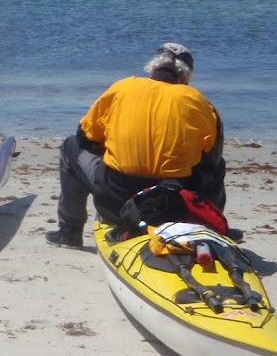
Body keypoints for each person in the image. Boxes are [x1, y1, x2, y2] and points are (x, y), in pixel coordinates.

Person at [46, 42, 225, 249]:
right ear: (185, 77)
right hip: (173, 204)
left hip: (115, 200)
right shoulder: (198, 101)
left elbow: (84, 138)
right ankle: (211, 227)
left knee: (70, 146)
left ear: (152, 68)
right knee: (217, 165)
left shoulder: (122, 88)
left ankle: (69, 233)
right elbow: (212, 158)